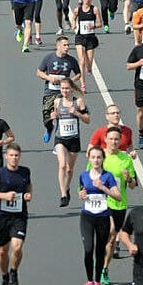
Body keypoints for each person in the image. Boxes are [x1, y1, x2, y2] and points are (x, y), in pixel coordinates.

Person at [0, 144, 33, 285]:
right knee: (3, 251)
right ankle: (5, 278)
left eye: (16, 155)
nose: (14, 158)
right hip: (3, 216)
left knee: (17, 247)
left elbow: (29, 185)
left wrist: (28, 194)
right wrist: (4, 196)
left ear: (20, 156)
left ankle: (14, 271)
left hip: (20, 215)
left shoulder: (25, 171)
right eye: (11, 155)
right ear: (6, 156)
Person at [77, 145, 123, 285]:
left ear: (103, 159)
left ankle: (97, 283)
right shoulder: (83, 175)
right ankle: (89, 283)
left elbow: (118, 197)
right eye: (93, 157)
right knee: (88, 249)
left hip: (103, 217)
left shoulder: (108, 176)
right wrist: (82, 195)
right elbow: (81, 191)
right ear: (89, 159)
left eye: (99, 157)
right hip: (87, 216)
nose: (96, 160)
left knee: (99, 250)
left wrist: (103, 187)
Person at [99, 128, 138, 285]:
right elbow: (87, 178)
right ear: (106, 139)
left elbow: (133, 185)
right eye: (111, 139)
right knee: (108, 234)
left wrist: (128, 179)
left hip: (119, 204)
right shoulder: (99, 156)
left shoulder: (126, 159)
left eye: (117, 139)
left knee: (111, 240)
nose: (114, 142)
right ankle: (98, 264)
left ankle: (104, 269)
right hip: (101, 203)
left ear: (120, 141)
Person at [52, 78, 91, 208]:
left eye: (67, 88)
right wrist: (53, 117)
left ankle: (67, 187)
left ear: (72, 89)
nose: (64, 91)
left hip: (74, 139)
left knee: (69, 169)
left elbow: (88, 120)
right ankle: (63, 194)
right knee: (62, 165)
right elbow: (56, 116)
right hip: (60, 138)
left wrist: (77, 113)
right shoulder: (57, 102)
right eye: (62, 88)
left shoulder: (78, 102)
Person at [70, 0, 102, 91]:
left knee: (89, 63)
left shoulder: (95, 9)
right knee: (82, 61)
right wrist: (74, 25)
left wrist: (94, 26)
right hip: (80, 37)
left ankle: (89, 68)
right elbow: (73, 18)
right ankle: (83, 85)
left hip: (91, 38)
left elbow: (100, 23)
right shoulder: (78, 9)